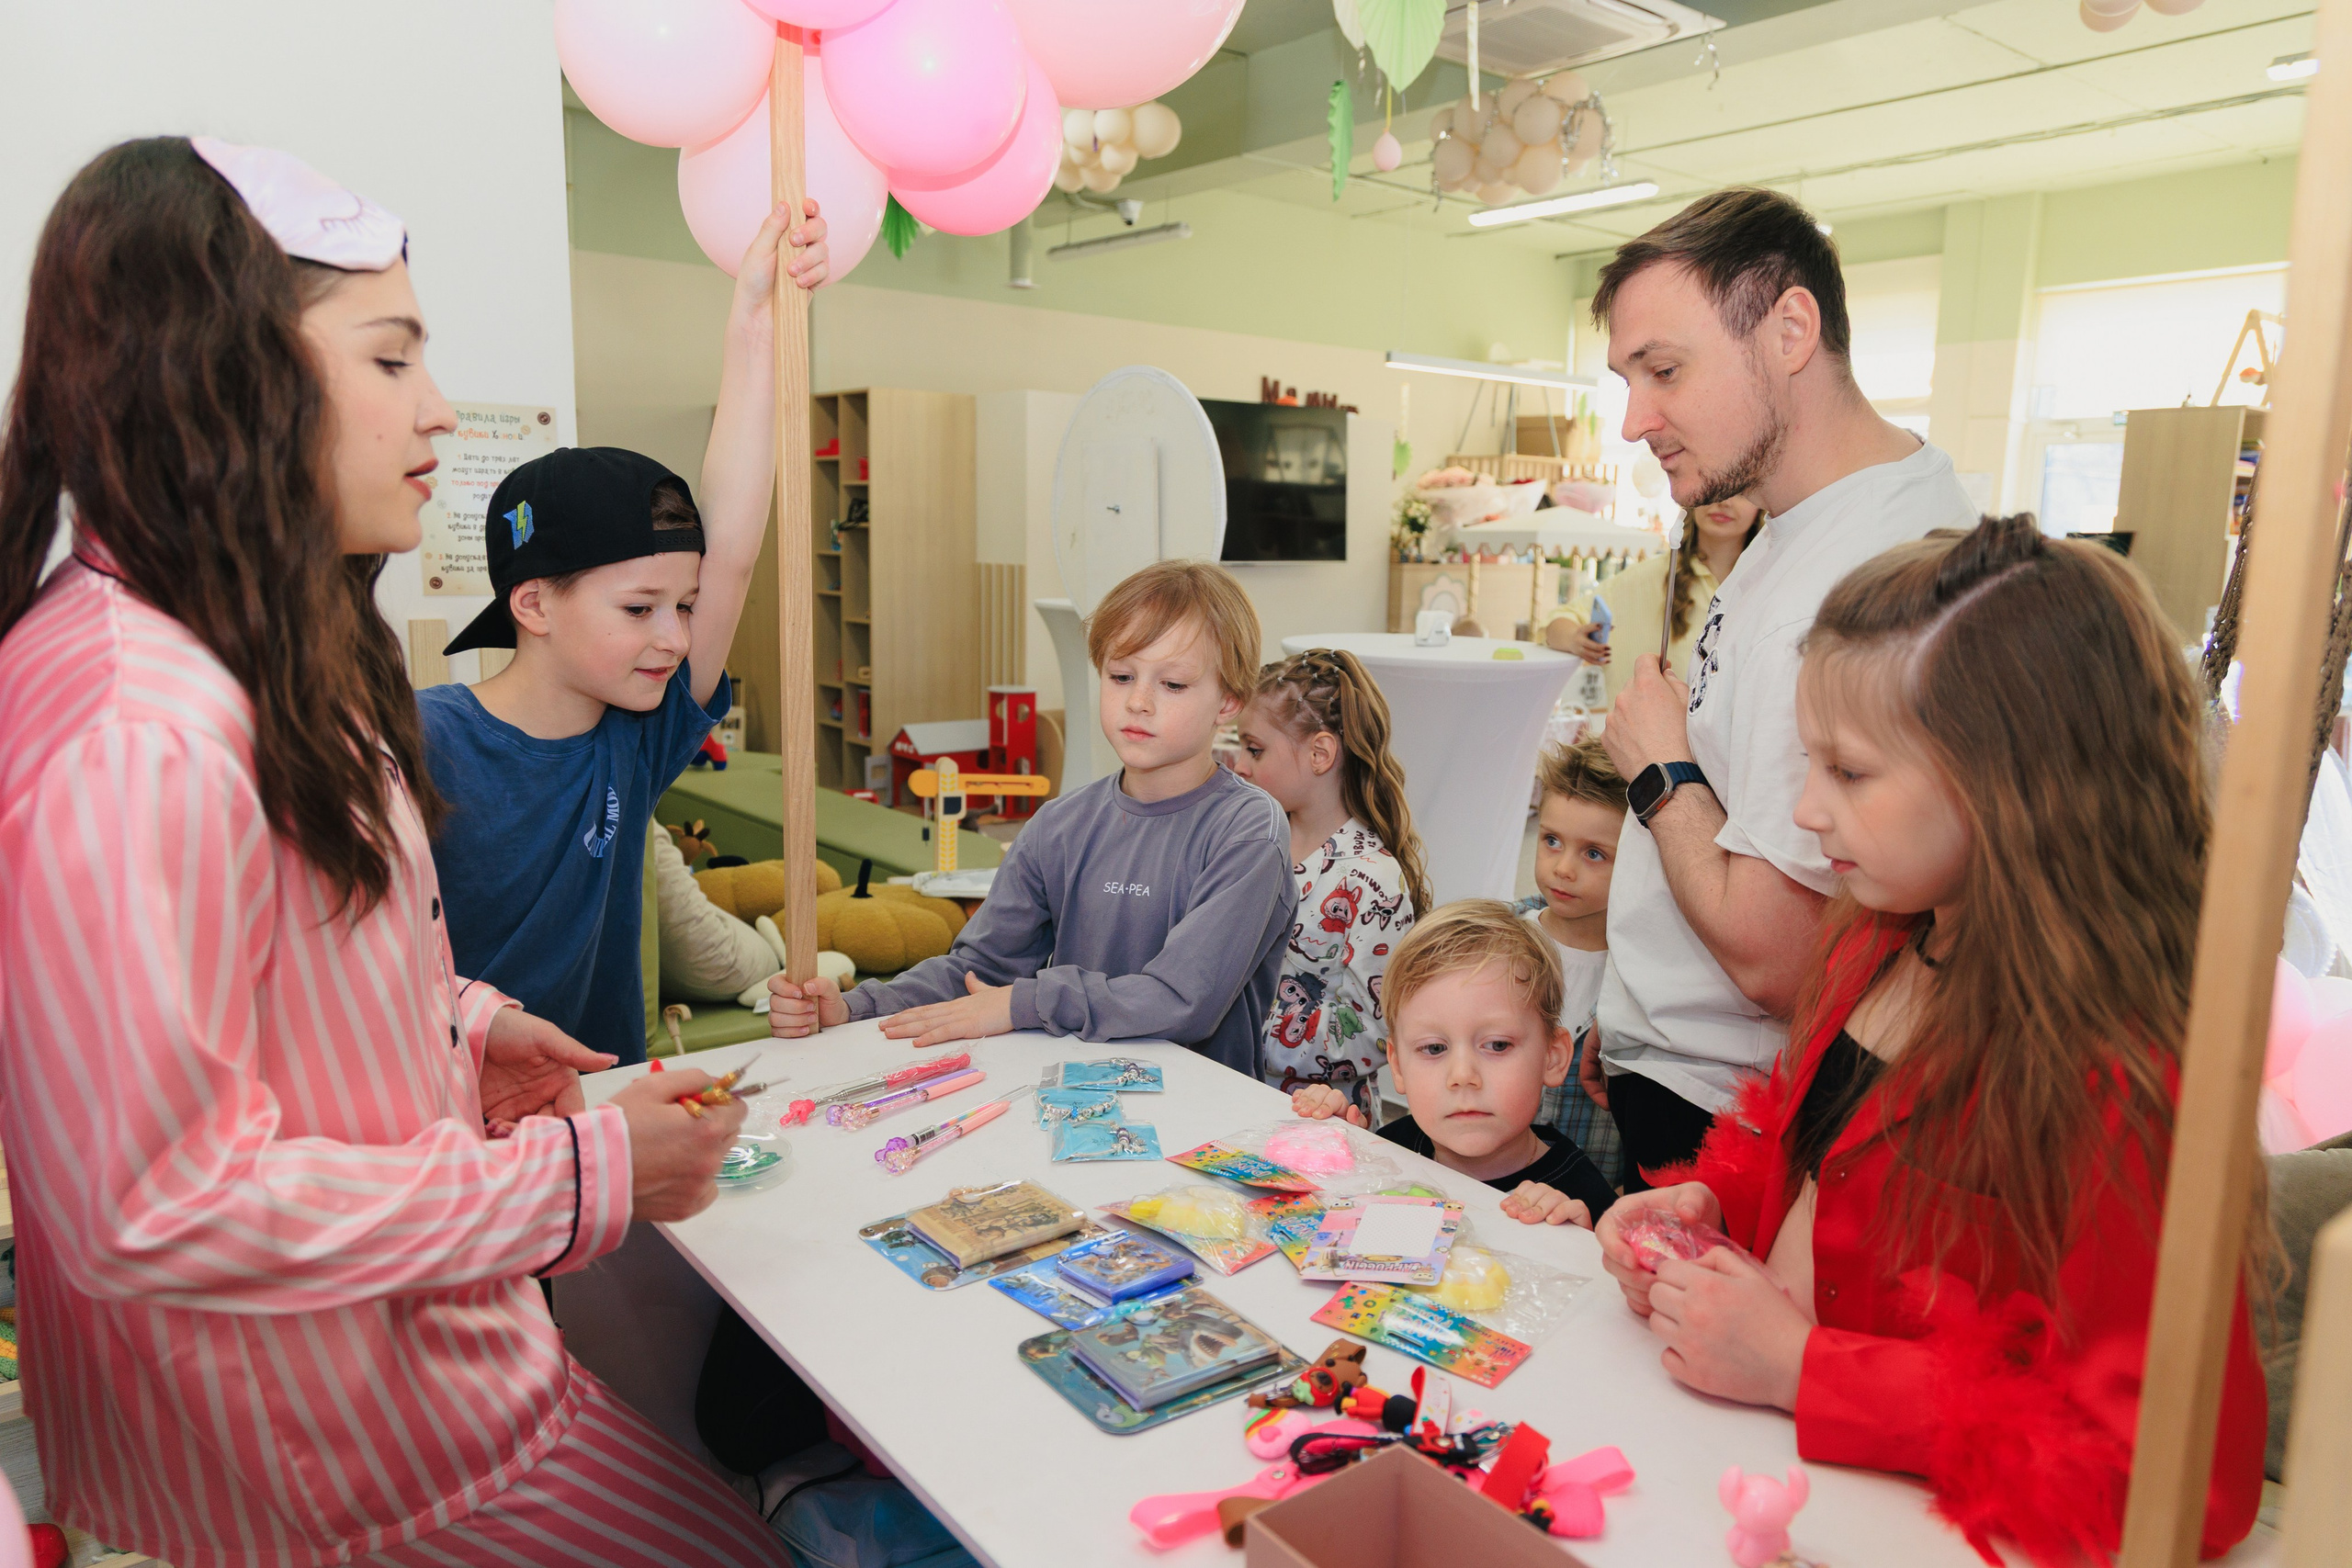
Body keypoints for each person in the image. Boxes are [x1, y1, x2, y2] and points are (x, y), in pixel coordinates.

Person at [0, 137, 788, 1567]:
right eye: (389, 358)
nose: (435, 409)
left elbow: (292, 970)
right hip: (357, 1427)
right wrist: (580, 1176)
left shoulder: (250, 661)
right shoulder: (144, 728)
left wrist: (463, 1027)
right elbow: (158, 1198)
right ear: (224, 370)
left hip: (426, 1345)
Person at [1594, 517, 2266, 1563]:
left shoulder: (2121, 1073)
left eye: (1850, 774)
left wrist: (1802, 1369)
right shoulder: (1876, 936)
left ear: (2015, 783)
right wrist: (1713, 1218)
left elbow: (2176, 1472)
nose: (1806, 811)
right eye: (1806, 764)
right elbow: (1833, 1175)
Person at [1589, 187, 1978, 1187]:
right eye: (1628, 379)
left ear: (1790, 330)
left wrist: (1657, 766)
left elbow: (1779, 956)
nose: (1634, 421)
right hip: (1685, 1062)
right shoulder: (1811, 517)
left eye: (1664, 371)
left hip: (1729, 1108)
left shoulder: (1851, 582)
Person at [419, 193, 830, 1066]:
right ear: (533, 605)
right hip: (457, 1113)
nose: (676, 638)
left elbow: (734, 554)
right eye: (640, 609)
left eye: (684, 606)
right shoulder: (424, 739)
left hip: (601, 1105)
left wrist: (754, 320)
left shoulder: (634, 736)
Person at [768, 560, 1295, 1069]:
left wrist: (1025, 1002)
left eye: (1172, 684)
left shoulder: (1248, 830)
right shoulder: (1060, 824)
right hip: (1072, 1101)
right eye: (1120, 675)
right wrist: (855, 1008)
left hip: (1200, 1110)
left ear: (1229, 702)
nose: (1139, 701)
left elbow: (1183, 1000)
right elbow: (979, 970)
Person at [1291, 900, 1615, 1225]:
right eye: (1434, 1048)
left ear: (1552, 1056)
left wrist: (1584, 1246)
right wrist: (1341, 1154)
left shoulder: (1586, 1202)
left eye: (1497, 1045)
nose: (1462, 1075)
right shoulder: (1393, 1147)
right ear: (1398, 1066)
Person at [1231, 648, 1430, 1119]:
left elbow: (1371, 1031)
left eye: (1255, 750)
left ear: (1319, 754)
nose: (1239, 765)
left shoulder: (1373, 881)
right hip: (1232, 1090)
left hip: (1322, 1120)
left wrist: (1237, 1029)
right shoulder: (1252, 842)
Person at [1543, 492, 1763, 704]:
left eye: (1741, 493)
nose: (1724, 501)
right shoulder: (1644, 578)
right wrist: (1575, 639)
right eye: (1715, 487)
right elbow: (1555, 623)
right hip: (1646, 727)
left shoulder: (1767, 584)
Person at [1526, 739, 1626, 1190]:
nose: (1563, 868)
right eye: (1552, 841)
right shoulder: (1492, 942)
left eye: (1594, 853)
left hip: (1590, 1199)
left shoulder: (1644, 978)